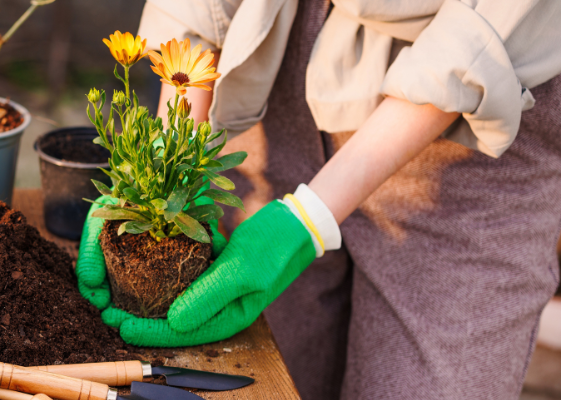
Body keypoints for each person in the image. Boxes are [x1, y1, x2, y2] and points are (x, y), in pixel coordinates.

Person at [84, 1, 561, 399]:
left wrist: (306, 220)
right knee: (268, 378)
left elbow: (485, 39)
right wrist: (171, 154)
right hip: (276, 81)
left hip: (471, 135)